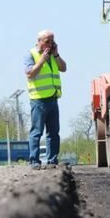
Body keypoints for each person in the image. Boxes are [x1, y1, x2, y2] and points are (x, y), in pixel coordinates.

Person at [24, 30, 67, 170]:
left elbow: (63, 68)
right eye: (47, 41)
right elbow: (30, 74)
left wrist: (56, 54)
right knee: (37, 131)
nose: (50, 44)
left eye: (52, 41)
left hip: (53, 98)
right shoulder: (31, 54)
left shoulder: (53, 55)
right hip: (39, 100)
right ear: (40, 41)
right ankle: (34, 161)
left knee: (53, 132)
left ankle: (52, 160)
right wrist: (42, 60)